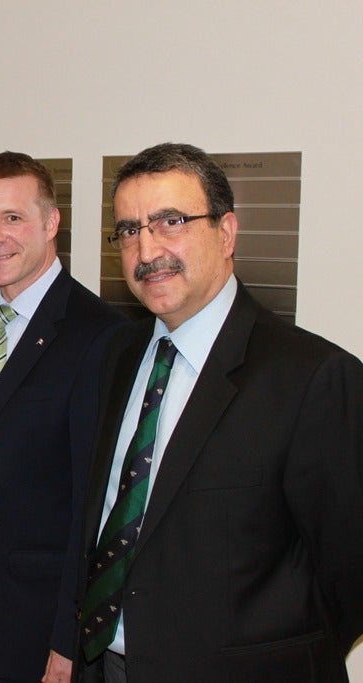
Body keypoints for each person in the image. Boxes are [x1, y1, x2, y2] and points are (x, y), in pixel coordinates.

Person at [76, 142, 363, 682]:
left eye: (170, 221)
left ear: (226, 233)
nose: (148, 249)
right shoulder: (117, 356)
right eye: (130, 230)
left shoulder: (313, 378)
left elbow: (349, 576)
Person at [0, 151, 124, 683]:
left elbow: (94, 506)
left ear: (51, 222)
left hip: (40, 637)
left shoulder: (100, 334)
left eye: (12, 217)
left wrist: (69, 639)